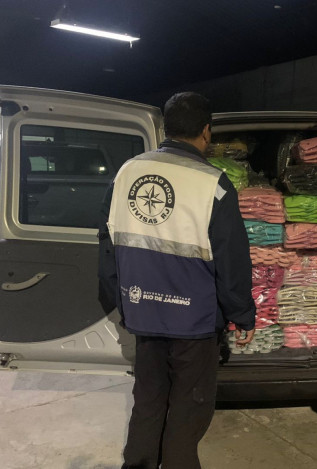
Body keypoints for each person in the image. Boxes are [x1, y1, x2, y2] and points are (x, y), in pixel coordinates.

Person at [98, 92, 256, 469]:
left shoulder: (127, 173)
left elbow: (107, 244)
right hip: (194, 323)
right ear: (206, 132)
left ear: (166, 128)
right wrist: (242, 314)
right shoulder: (214, 184)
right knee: (189, 409)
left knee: (148, 402)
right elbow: (231, 261)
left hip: (144, 315)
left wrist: (120, 301)